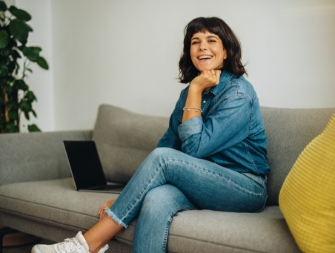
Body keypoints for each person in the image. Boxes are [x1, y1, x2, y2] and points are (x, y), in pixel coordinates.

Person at [32, 16, 270, 253]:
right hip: (202, 184)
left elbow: (192, 150)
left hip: (245, 187)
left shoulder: (238, 94)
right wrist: (130, 197)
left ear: (226, 51)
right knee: (156, 199)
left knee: (163, 158)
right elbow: (169, 143)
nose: (202, 47)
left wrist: (196, 89)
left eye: (211, 40)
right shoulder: (187, 93)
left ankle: (87, 245)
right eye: (195, 42)